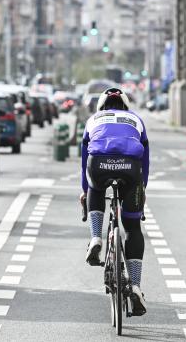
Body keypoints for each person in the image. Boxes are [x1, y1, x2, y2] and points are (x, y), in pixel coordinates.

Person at [80, 87, 149, 316]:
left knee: (95, 187)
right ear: (126, 106)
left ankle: (96, 237)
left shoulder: (94, 119)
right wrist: (141, 189)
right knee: (132, 227)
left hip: (98, 164)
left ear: (101, 106)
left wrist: (84, 190)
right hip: (131, 169)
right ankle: (136, 285)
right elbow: (145, 160)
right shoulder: (135, 119)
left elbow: (84, 158)